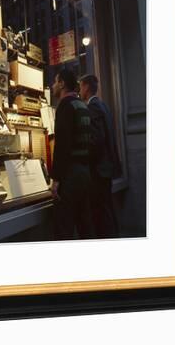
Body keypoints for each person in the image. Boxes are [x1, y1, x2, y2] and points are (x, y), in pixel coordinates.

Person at [50, 69, 94, 240]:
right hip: (84, 173)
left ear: (62, 84)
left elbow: (62, 146)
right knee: (85, 225)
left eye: (55, 81)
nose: (53, 85)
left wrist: (56, 180)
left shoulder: (65, 105)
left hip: (69, 176)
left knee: (64, 229)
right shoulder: (82, 105)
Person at [79, 74, 122, 238]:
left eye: (81, 86)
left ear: (87, 87)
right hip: (107, 167)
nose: (79, 90)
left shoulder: (93, 107)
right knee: (108, 209)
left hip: (98, 170)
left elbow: (97, 139)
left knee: (101, 214)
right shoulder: (103, 105)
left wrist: (85, 159)